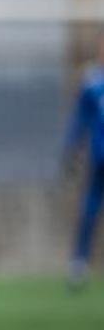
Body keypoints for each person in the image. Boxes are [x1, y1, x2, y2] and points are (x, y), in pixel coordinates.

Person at [62, 37, 104, 290]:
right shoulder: (92, 82)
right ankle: (79, 264)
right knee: (89, 212)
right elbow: (80, 119)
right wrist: (71, 149)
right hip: (99, 160)